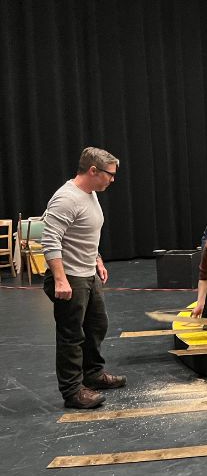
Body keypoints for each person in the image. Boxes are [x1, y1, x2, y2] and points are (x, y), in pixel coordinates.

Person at [41, 147, 126, 409]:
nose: (112, 179)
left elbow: (86, 233)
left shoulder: (90, 195)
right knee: (71, 336)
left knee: (96, 326)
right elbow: (49, 239)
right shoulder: (66, 198)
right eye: (109, 174)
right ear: (92, 171)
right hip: (70, 278)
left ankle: (93, 375)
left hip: (88, 273)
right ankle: (72, 391)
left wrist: (97, 259)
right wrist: (60, 279)